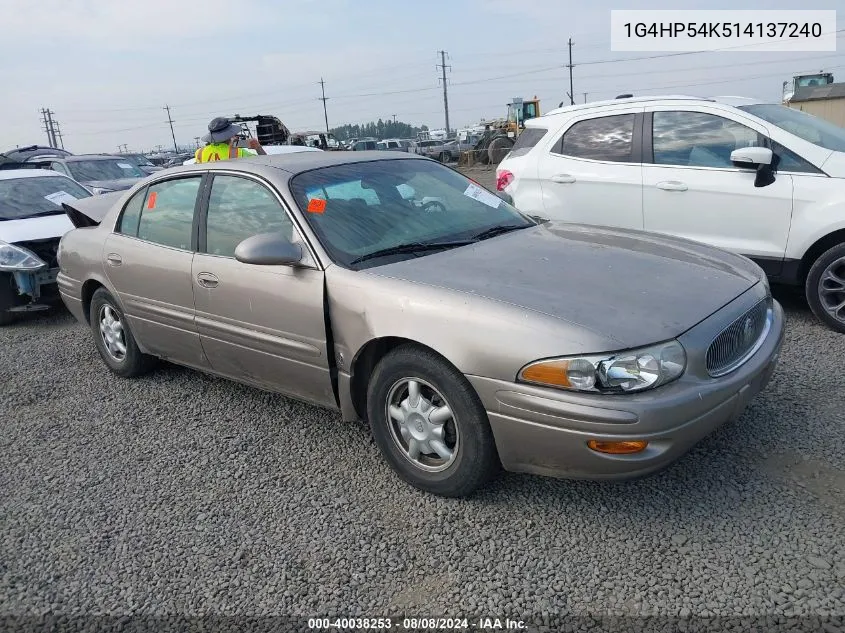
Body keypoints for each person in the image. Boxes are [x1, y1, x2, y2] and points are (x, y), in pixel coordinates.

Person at [194, 117, 267, 163]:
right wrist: (258, 147)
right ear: (230, 135)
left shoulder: (199, 153)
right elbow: (265, 163)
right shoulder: (238, 153)